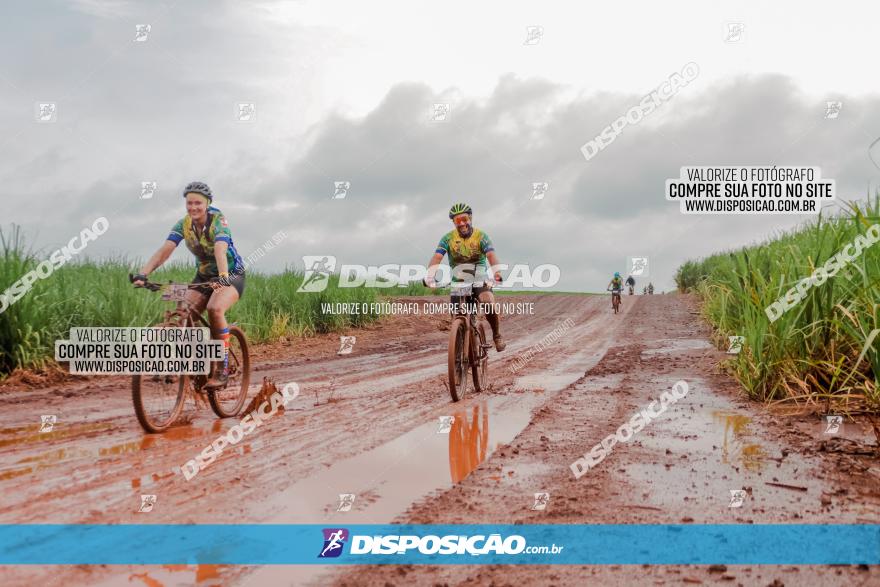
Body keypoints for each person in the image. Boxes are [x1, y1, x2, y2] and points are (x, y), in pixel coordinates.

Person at [131, 181, 245, 389]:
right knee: (184, 313)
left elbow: (220, 248)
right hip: (202, 278)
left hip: (230, 274)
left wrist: (222, 276)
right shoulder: (183, 224)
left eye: (198, 203)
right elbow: (165, 249)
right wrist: (143, 273)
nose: (193, 207)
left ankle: (222, 369)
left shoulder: (219, 221)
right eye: (189, 203)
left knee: (215, 309)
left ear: (207, 203)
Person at [425, 203, 506, 351]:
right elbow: (437, 257)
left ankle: (497, 335)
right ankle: (460, 354)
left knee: (487, 302)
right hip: (459, 282)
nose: (461, 223)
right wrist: (430, 276)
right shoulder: (448, 238)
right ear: (454, 223)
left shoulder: (481, 236)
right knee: (457, 317)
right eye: (457, 221)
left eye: (464, 219)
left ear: (470, 218)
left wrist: (497, 273)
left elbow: (491, 255)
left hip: (479, 278)